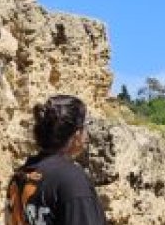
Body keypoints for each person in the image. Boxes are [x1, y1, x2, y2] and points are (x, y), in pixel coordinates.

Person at [7, 95, 107, 225]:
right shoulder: (72, 181)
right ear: (77, 134)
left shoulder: (20, 175)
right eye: (85, 126)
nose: (87, 134)